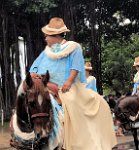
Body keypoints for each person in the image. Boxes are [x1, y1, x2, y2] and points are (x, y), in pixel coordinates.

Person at [29, 17, 117, 150]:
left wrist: (69, 82)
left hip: (67, 87)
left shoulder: (74, 47)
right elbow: (33, 68)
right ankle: (29, 137)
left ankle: (78, 142)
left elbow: (75, 67)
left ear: (55, 35)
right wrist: (33, 75)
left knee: (74, 106)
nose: (45, 38)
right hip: (47, 86)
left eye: (47, 35)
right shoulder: (47, 51)